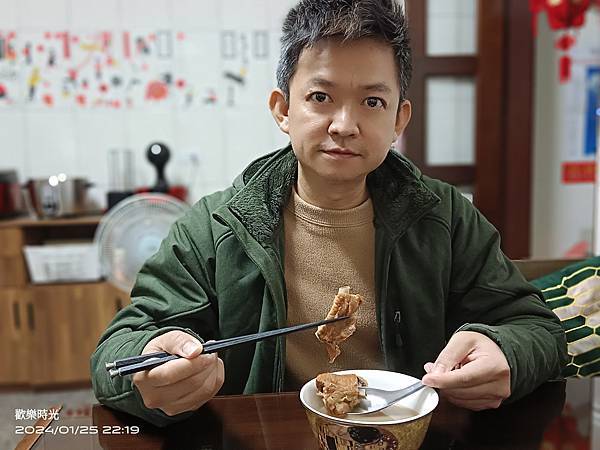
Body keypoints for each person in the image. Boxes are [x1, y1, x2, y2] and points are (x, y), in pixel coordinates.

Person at [91, 0, 567, 427]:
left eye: (372, 102)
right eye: (321, 97)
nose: (345, 125)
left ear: (399, 119)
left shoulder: (443, 218)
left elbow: (538, 329)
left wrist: (507, 352)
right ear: (283, 109)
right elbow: (120, 350)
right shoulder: (217, 227)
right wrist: (151, 367)